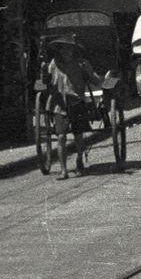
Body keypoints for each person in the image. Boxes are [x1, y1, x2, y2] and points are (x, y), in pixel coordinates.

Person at [44, 36, 102, 180]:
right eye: (62, 49)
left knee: (78, 137)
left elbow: (94, 80)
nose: (65, 52)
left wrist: (97, 79)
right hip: (60, 106)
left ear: (73, 51)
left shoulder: (82, 64)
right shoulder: (54, 64)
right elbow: (47, 80)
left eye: (68, 49)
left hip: (77, 104)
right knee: (61, 137)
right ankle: (64, 170)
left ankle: (80, 158)